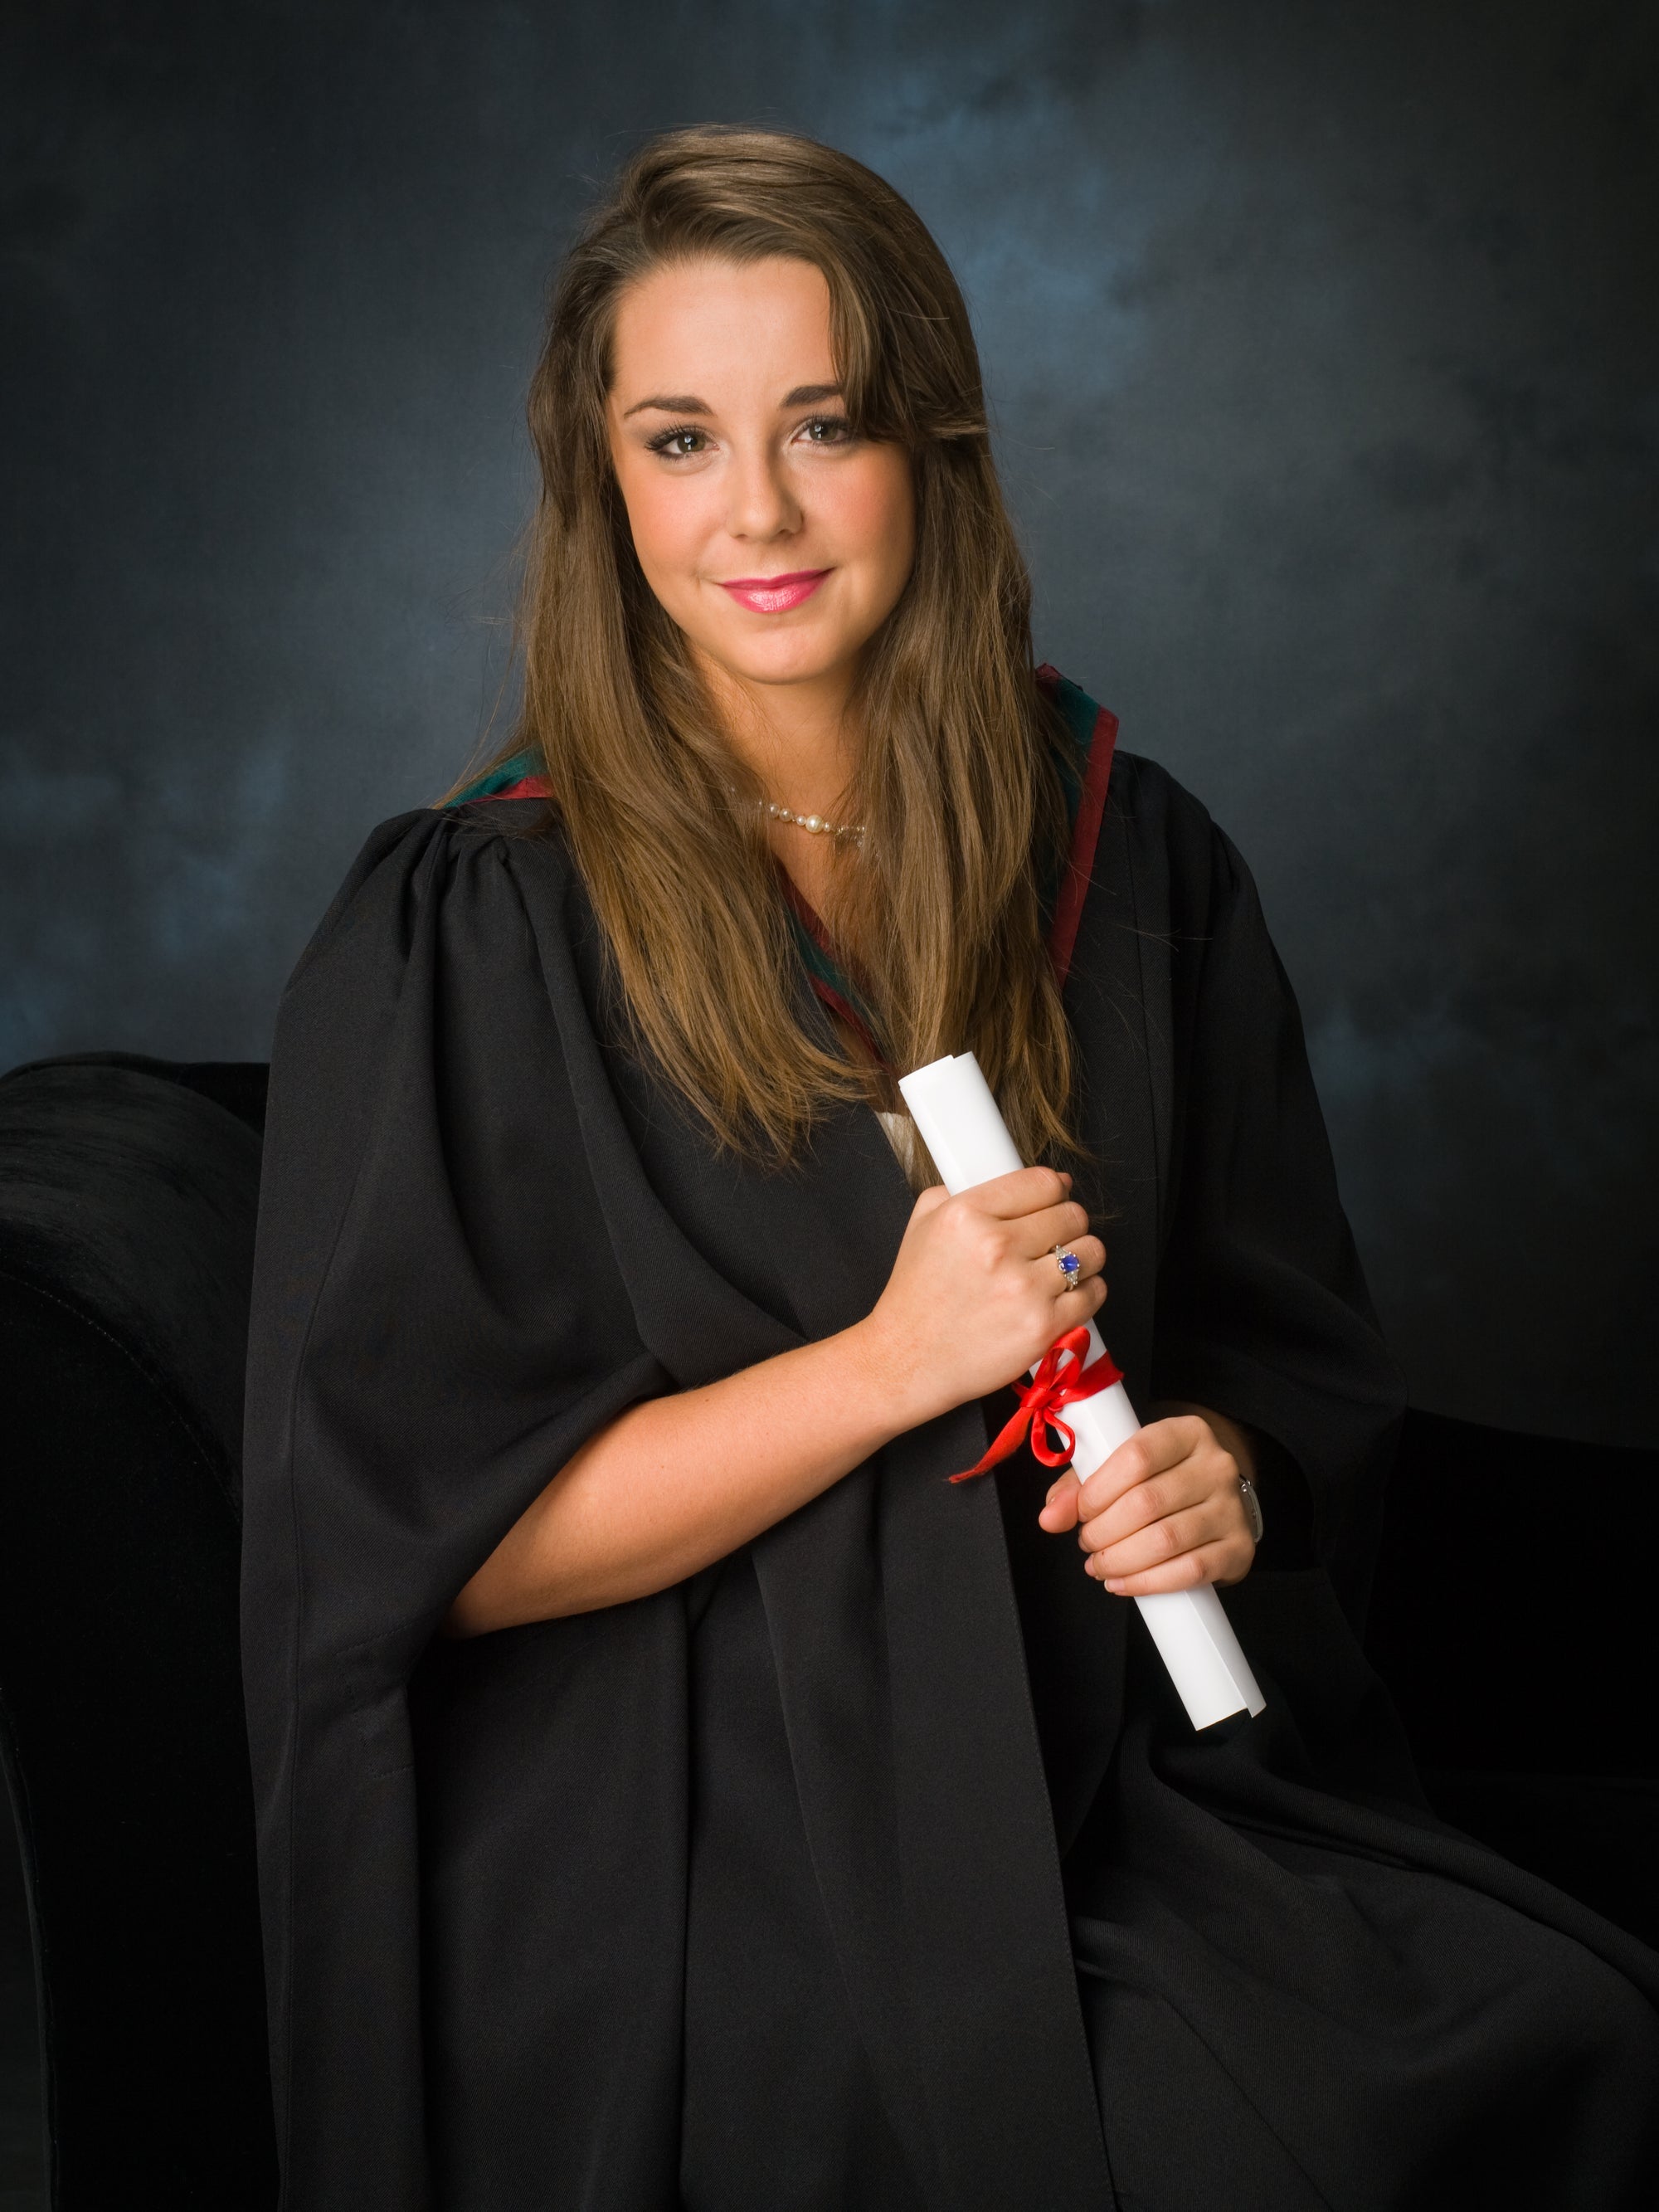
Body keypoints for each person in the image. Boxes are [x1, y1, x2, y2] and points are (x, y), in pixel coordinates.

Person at [239, 125, 1659, 2212]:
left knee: (1568, 2043)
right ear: (600, 483)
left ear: (933, 442)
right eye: (678, 437)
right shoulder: (479, 917)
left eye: (826, 423)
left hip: (1103, 1745)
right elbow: (425, 1549)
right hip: (694, 1806)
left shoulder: (1133, 852)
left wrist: (1226, 1470)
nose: (758, 512)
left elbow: (1290, 1356)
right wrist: (891, 1361)